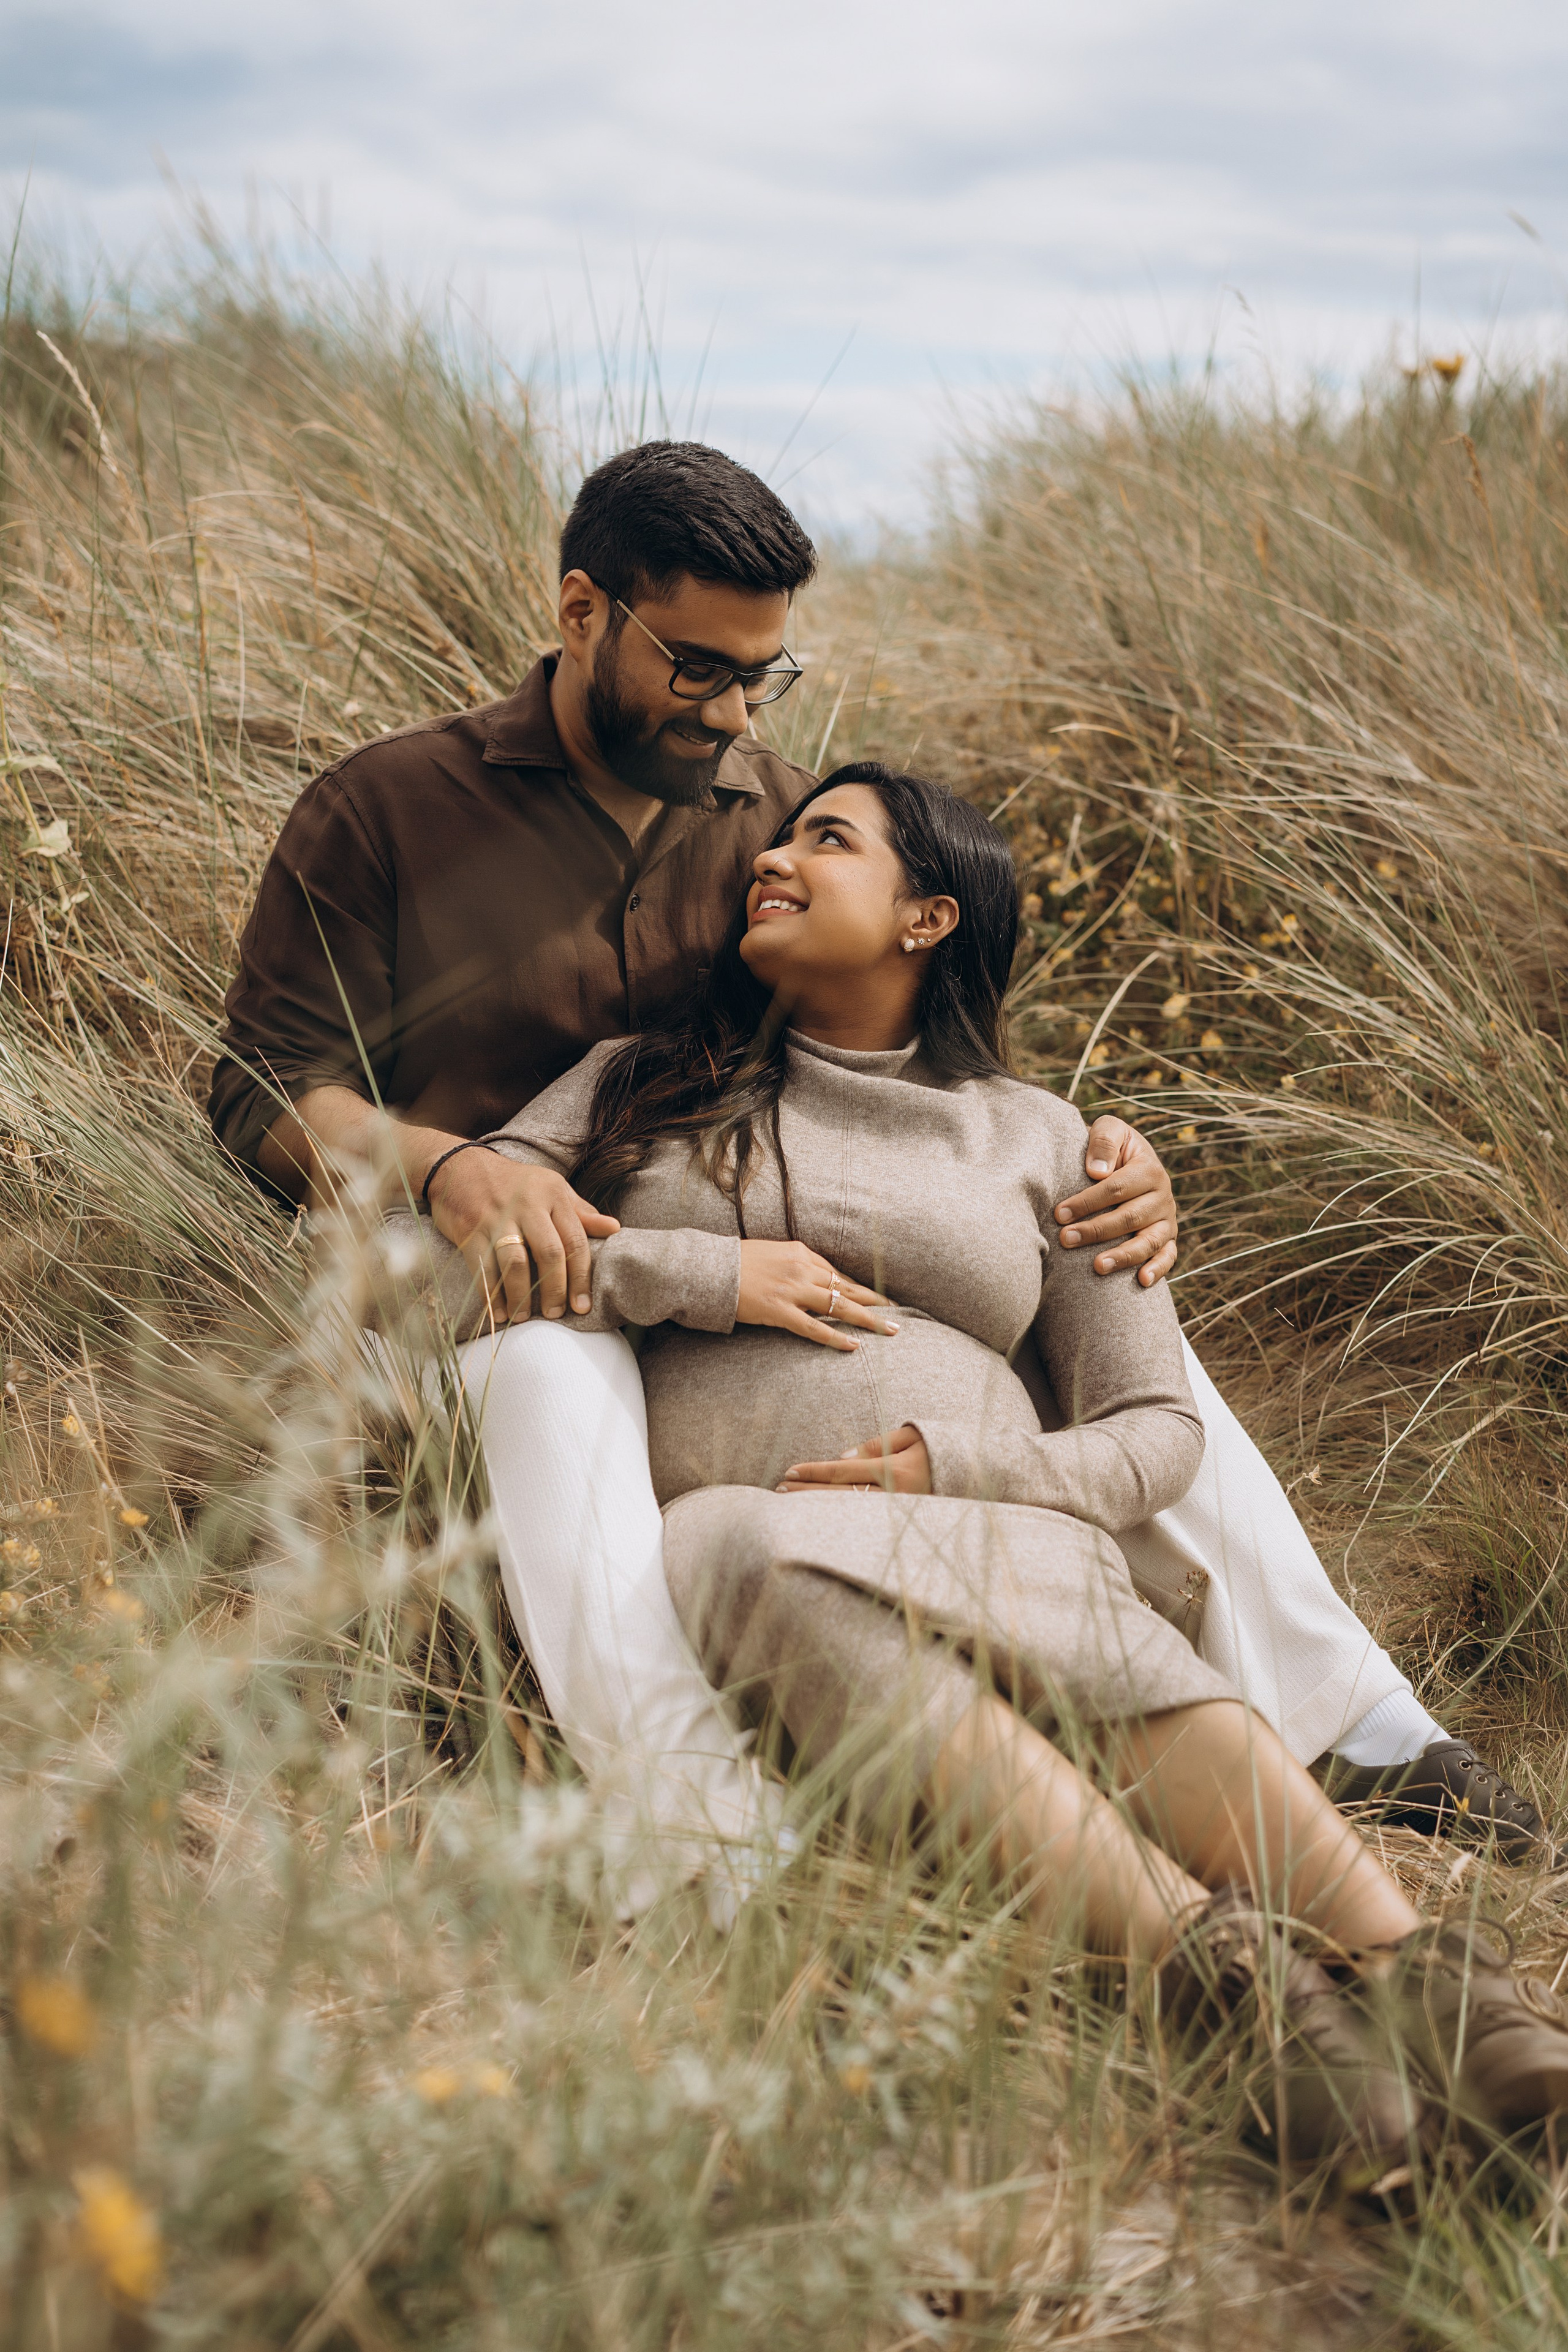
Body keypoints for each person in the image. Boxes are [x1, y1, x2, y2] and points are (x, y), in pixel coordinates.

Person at [208, 438, 1545, 1887]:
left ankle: (1358, 1726)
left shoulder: (776, 818)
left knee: (1112, 1318)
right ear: (582, 610)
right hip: (508, 1283)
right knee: (548, 1365)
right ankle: (702, 1840)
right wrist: (450, 1165)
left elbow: (945, 1061)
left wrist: (1103, 1167)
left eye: (759, 676)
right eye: (696, 667)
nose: (727, 712)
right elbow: (256, 1090)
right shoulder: (387, 808)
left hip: (770, 1269)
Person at [383, 762, 1568, 2168]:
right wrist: (704, 1272)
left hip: (993, 1513)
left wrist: (964, 1468)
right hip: (732, 1539)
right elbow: (453, 1281)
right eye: (778, 834)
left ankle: (1432, 1990)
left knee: (1010, 1596)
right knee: (742, 1543)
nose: (774, 859)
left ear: (926, 917)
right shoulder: (637, 1081)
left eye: (827, 840)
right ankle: (1227, 1993)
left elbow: (1153, 1428)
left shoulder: (1047, 1139)